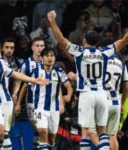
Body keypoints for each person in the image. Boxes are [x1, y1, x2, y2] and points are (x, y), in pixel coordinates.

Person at [47, 10, 128, 150]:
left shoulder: (79, 51)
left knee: (85, 132)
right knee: (103, 132)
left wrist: (53, 22)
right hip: (102, 95)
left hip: (86, 94)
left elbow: (61, 40)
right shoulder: (105, 52)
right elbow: (123, 41)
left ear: (84, 40)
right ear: (97, 43)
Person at [31, 47, 73, 149]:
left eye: (52, 56)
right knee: (42, 132)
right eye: (47, 55)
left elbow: (68, 86)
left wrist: (69, 95)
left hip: (54, 108)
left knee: (51, 138)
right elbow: (27, 86)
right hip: (40, 107)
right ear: (42, 58)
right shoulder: (36, 71)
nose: (50, 58)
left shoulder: (59, 71)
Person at [13, 37, 45, 148]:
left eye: (41, 46)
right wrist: (16, 96)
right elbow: (20, 82)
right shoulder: (26, 64)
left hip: (47, 102)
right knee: (39, 129)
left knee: (43, 131)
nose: (39, 48)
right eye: (37, 45)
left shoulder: (49, 62)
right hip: (31, 102)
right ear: (32, 47)